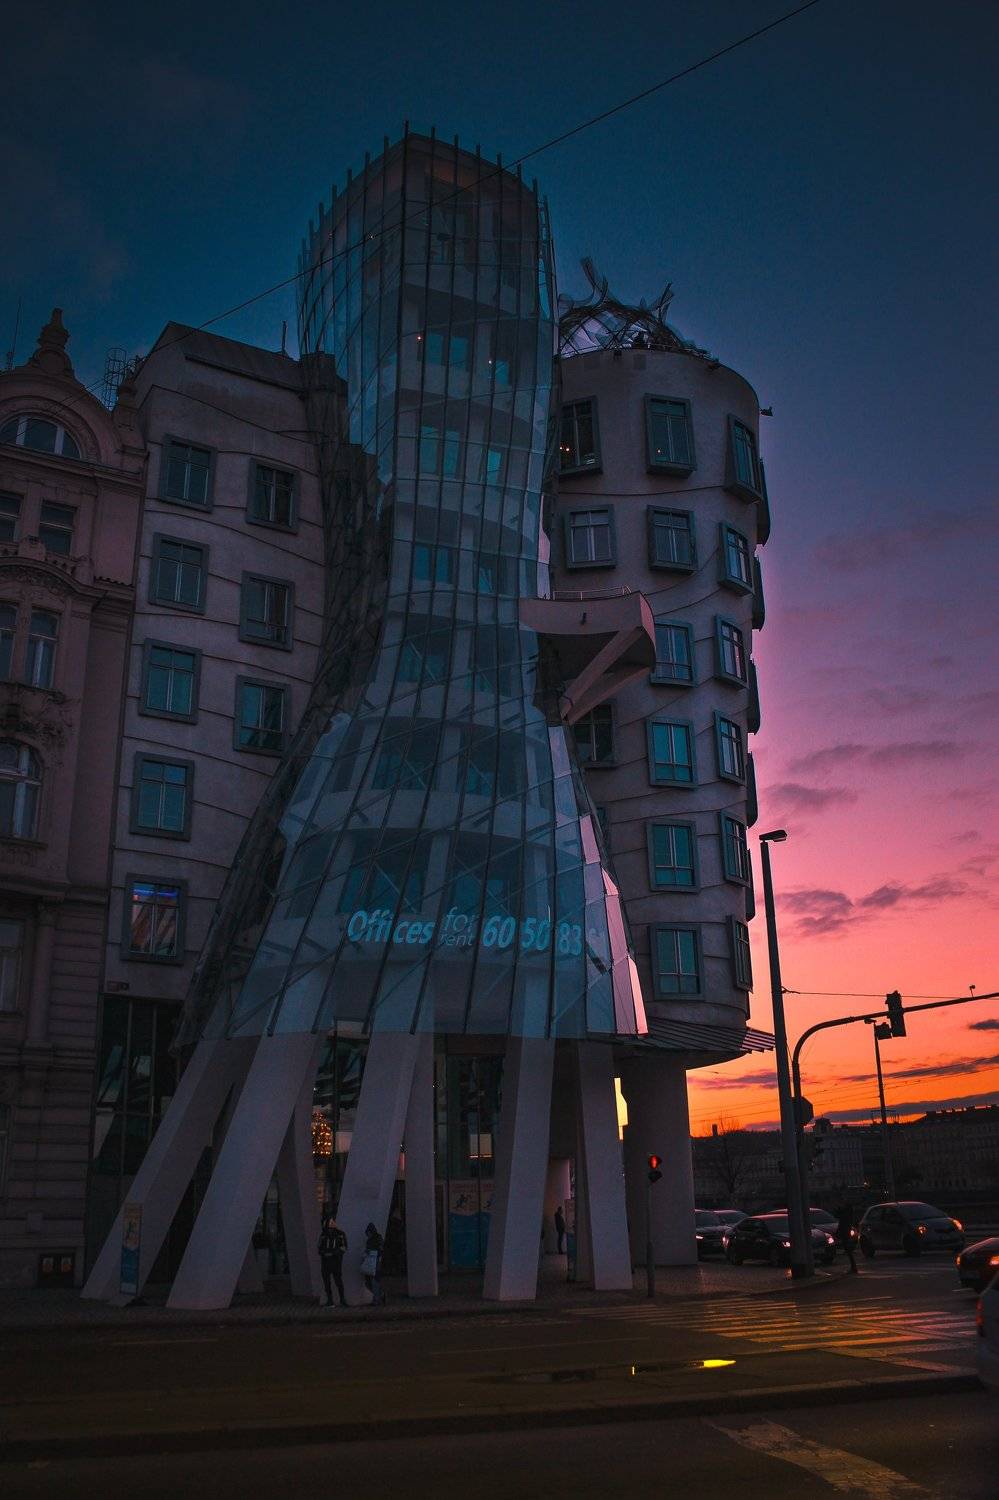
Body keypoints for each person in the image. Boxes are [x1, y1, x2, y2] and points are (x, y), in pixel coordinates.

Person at [317, 1215, 348, 1307]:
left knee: (338, 1281)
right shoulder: (323, 1235)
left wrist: (334, 1253)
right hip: (325, 1262)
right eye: (327, 1229)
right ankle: (330, 1300)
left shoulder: (340, 1235)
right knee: (327, 1283)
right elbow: (319, 1248)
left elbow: (344, 1247)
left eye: (330, 1229)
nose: (329, 1231)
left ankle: (342, 1299)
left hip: (336, 1262)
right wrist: (324, 1253)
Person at [363, 1222, 386, 1306]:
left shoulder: (377, 1239)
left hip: (376, 1262)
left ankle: (376, 1299)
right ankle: (380, 1295)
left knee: (374, 1281)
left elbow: (381, 1249)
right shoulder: (370, 1240)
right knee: (369, 1282)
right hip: (371, 1262)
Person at [836, 1202, 859, 1274]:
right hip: (846, 1231)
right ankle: (853, 1267)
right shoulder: (848, 1214)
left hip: (845, 1232)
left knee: (848, 1249)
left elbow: (841, 1221)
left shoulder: (845, 1215)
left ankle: (853, 1267)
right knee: (848, 1250)